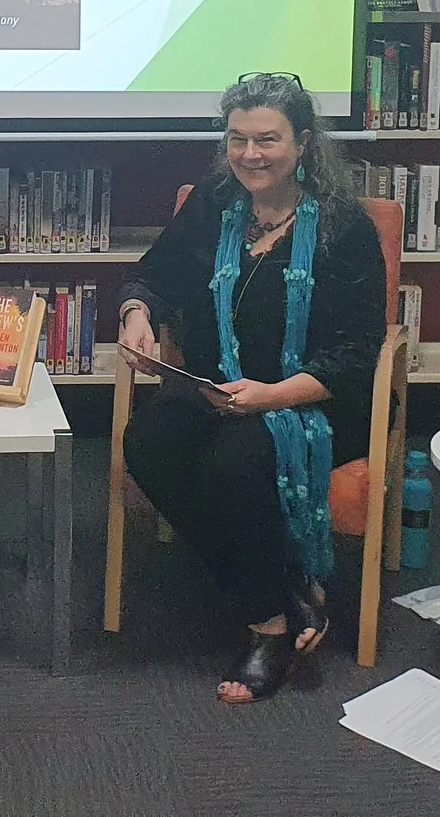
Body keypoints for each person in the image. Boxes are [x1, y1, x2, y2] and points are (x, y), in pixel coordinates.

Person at [116, 72, 388, 703]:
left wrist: (271, 396)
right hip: (220, 388)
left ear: (304, 143)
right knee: (148, 441)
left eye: (267, 139)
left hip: (315, 399)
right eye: (237, 139)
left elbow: (355, 355)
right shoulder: (215, 204)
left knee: (232, 462)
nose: (250, 154)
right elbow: (150, 276)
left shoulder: (344, 229)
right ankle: (286, 587)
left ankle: (267, 626)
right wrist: (136, 314)